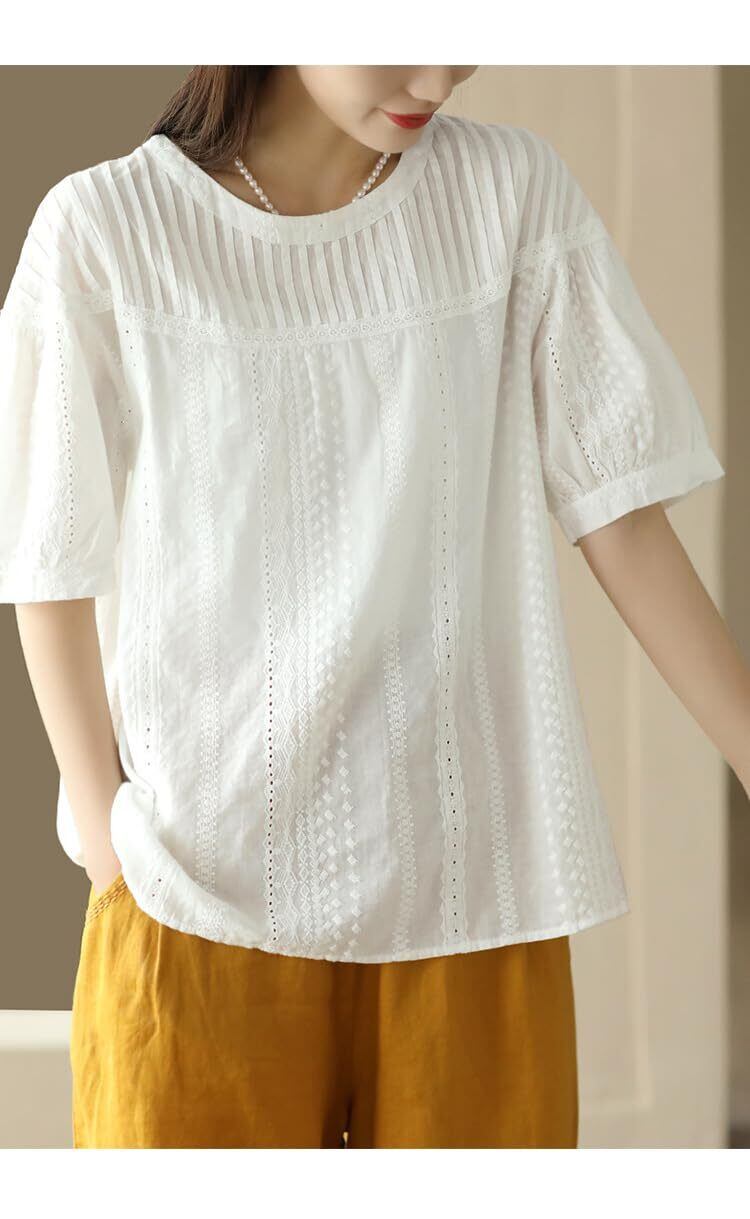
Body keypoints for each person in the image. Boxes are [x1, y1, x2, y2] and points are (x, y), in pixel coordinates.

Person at [1, 65, 747, 1150]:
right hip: (191, 899)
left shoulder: (510, 197)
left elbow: (623, 514)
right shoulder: (106, 230)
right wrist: (108, 842)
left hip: (473, 899)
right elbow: (46, 555)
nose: (437, 75)